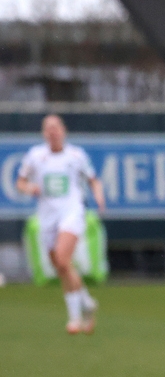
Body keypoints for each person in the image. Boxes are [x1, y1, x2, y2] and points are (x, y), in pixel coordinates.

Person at [16, 114, 105, 334]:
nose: (53, 132)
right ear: (44, 133)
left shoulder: (76, 155)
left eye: (56, 128)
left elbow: (93, 179)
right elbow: (20, 182)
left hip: (72, 213)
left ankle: (75, 318)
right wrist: (29, 188)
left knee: (64, 260)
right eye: (48, 128)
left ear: (63, 131)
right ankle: (86, 301)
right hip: (47, 216)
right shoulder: (36, 156)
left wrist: (99, 196)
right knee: (60, 266)